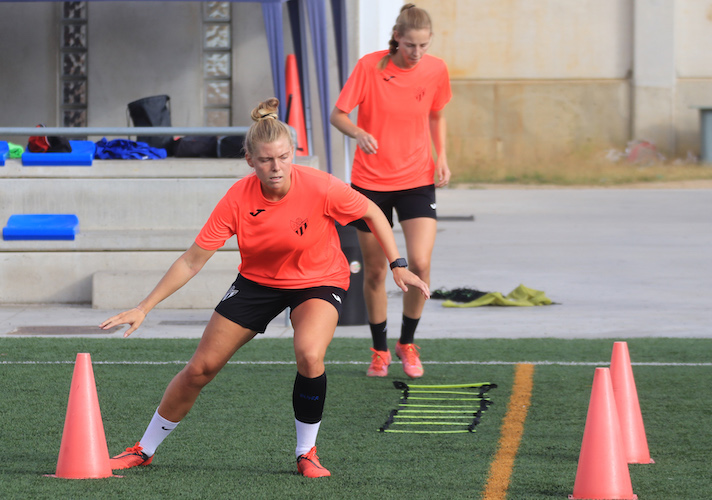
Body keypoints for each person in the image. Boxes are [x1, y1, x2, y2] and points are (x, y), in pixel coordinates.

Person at [100, 98, 429, 478]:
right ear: (250, 161)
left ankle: (306, 452)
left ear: (293, 154)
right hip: (257, 282)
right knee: (199, 369)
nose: (277, 167)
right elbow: (192, 260)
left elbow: (372, 211)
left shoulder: (320, 186)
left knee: (309, 354)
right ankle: (144, 449)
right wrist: (145, 306)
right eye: (267, 160)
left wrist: (397, 264)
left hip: (317, 280)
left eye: (284, 157)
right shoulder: (237, 199)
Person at [330, 4, 451, 379]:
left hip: (417, 177)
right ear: (397, 38)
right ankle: (379, 349)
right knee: (376, 271)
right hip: (370, 184)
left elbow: (436, 114)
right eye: (411, 45)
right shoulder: (370, 67)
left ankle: (407, 343)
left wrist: (441, 156)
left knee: (421, 263)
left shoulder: (436, 69)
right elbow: (338, 114)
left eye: (423, 46)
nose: (417, 54)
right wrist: (358, 132)